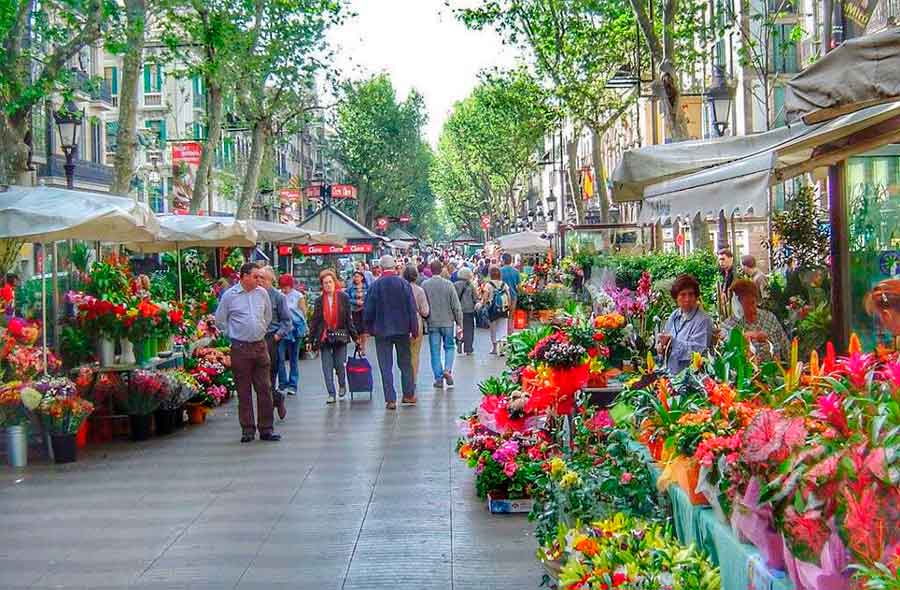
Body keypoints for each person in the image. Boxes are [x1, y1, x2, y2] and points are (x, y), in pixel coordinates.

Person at [215, 263, 280, 443]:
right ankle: (248, 429)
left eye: (260, 277)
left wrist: (259, 330)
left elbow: (267, 316)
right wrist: (233, 334)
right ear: (243, 276)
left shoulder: (262, 293)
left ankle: (266, 428)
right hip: (240, 348)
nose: (259, 280)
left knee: (265, 388)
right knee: (243, 391)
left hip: (259, 345)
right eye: (255, 276)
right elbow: (220, 320)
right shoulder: (230, 296)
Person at [364, 255, 419, 409]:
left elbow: (368, 310)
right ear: (395, 267)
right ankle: (408, 394)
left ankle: (390, 399)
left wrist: (368, 328)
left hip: (382, 331)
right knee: (405, 363)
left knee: (385, 365)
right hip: (402, 330)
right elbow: (411, 309)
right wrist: (414, 330)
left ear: (380, 268)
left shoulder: (375, 286)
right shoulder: (403, 284)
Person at [308, 269, 357, 404]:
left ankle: (342, 383)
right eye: (325, 283)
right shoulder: (319, 301)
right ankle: (331, 393)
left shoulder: (343, 298)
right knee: (326, 366)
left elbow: (348, 319)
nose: (328, 285)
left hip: (340, 336)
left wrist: (355, 337)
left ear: (335, 283)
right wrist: (310, 339)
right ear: (322, 285)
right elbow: (315, 320)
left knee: (340, 364)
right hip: (325, 336)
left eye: (330, 282)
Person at [656, 275, 713, 375]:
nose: (687, 299)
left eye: (691, 294)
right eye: (683, 295)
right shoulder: (675, 315)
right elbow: (666, 341)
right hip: (671, 374)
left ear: (696, 296)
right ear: (676, 297)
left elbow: (698, 352)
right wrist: (662, 346)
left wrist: (672, 342)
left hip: (691, 379)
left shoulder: (703, 320)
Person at [722, 279, 789, 361]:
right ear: (736, 306)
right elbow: (727, 350)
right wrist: (751, 335)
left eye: (753, 303)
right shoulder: (728, 326)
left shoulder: (769, 318)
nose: (751, 308)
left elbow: (786, 346)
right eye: (746, 305)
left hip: (776, 370)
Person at [422, 259, 463, 389]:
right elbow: (456, 306)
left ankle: (439, 378)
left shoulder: (425, 285)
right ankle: (448, 370)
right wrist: (459, 323)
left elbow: (423, 306)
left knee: (435, 351)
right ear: (441, 270)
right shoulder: (449, 284)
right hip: (448, 322)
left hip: (432, 322)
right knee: (449, 347)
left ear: (431, 270)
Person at [260, 266, 292, 420]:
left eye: (263, 279)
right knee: (260, 378)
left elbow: (287, 322)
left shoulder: (278, 297)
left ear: (271, 280)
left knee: (270, 375)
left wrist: (277, 337)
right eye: (258, 278)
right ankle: (276, 398)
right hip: (255, 339)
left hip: (271, 338)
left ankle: (269, 410)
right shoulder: (254, 295)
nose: (260, 282)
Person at [277, 274, 306, 396]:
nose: (284, 289)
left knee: (294, 358)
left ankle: (293, 385)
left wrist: (304, 327)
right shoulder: (279, 295)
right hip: (283, 330)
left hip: (295, 329)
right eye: (282, 287)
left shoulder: (298, 296)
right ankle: (282, 383)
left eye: (286, 287)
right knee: (280, 358)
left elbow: (303, 312)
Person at [403, 264, 430, 386]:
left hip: (402, 325)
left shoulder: (400, 289)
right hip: (416, 324)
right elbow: (425, 311)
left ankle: (405, 377)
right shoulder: (419, 290)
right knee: (414, 353)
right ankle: (412, 380)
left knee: (403, 354)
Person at [481, 265, 511, 355]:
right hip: (503, 309)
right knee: (503, 328)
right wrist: (508, 306)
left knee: (493, 329)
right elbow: (508, 297)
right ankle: (503, 349)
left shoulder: (488, 285)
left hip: (492, 310)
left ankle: (494, 348)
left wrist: (483, 304)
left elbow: (485, 297)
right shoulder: (504, 284)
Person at [454, 267, 477, 355]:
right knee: (469, 329)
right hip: (469, 310)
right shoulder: (470, 285)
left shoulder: (455, 285)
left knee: (459, 327)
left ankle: (459, 341)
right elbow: (475, 297)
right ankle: (468, 348)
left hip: (458, 310)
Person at [347, 270, 369, 355]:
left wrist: (364, 301)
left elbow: (370, 297)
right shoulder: (350, 288)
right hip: (354, 310)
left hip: (364, 310)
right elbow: (347, 299)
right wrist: (356, 302)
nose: (356, 278)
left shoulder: (366, 286)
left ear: (362, 278)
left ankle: (363, 347)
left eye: (358, 276)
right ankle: (358, 345)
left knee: (363, 330)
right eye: (355, 276)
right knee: (356, 329)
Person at [500, 253, 521, 336]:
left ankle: (502, 333)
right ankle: (510, 332)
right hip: (513, 296)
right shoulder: (516, 272)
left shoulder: (500, 271)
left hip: (503, 296)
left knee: (502, 315)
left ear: (503, 260)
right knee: (511, 315)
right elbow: (519, 286)